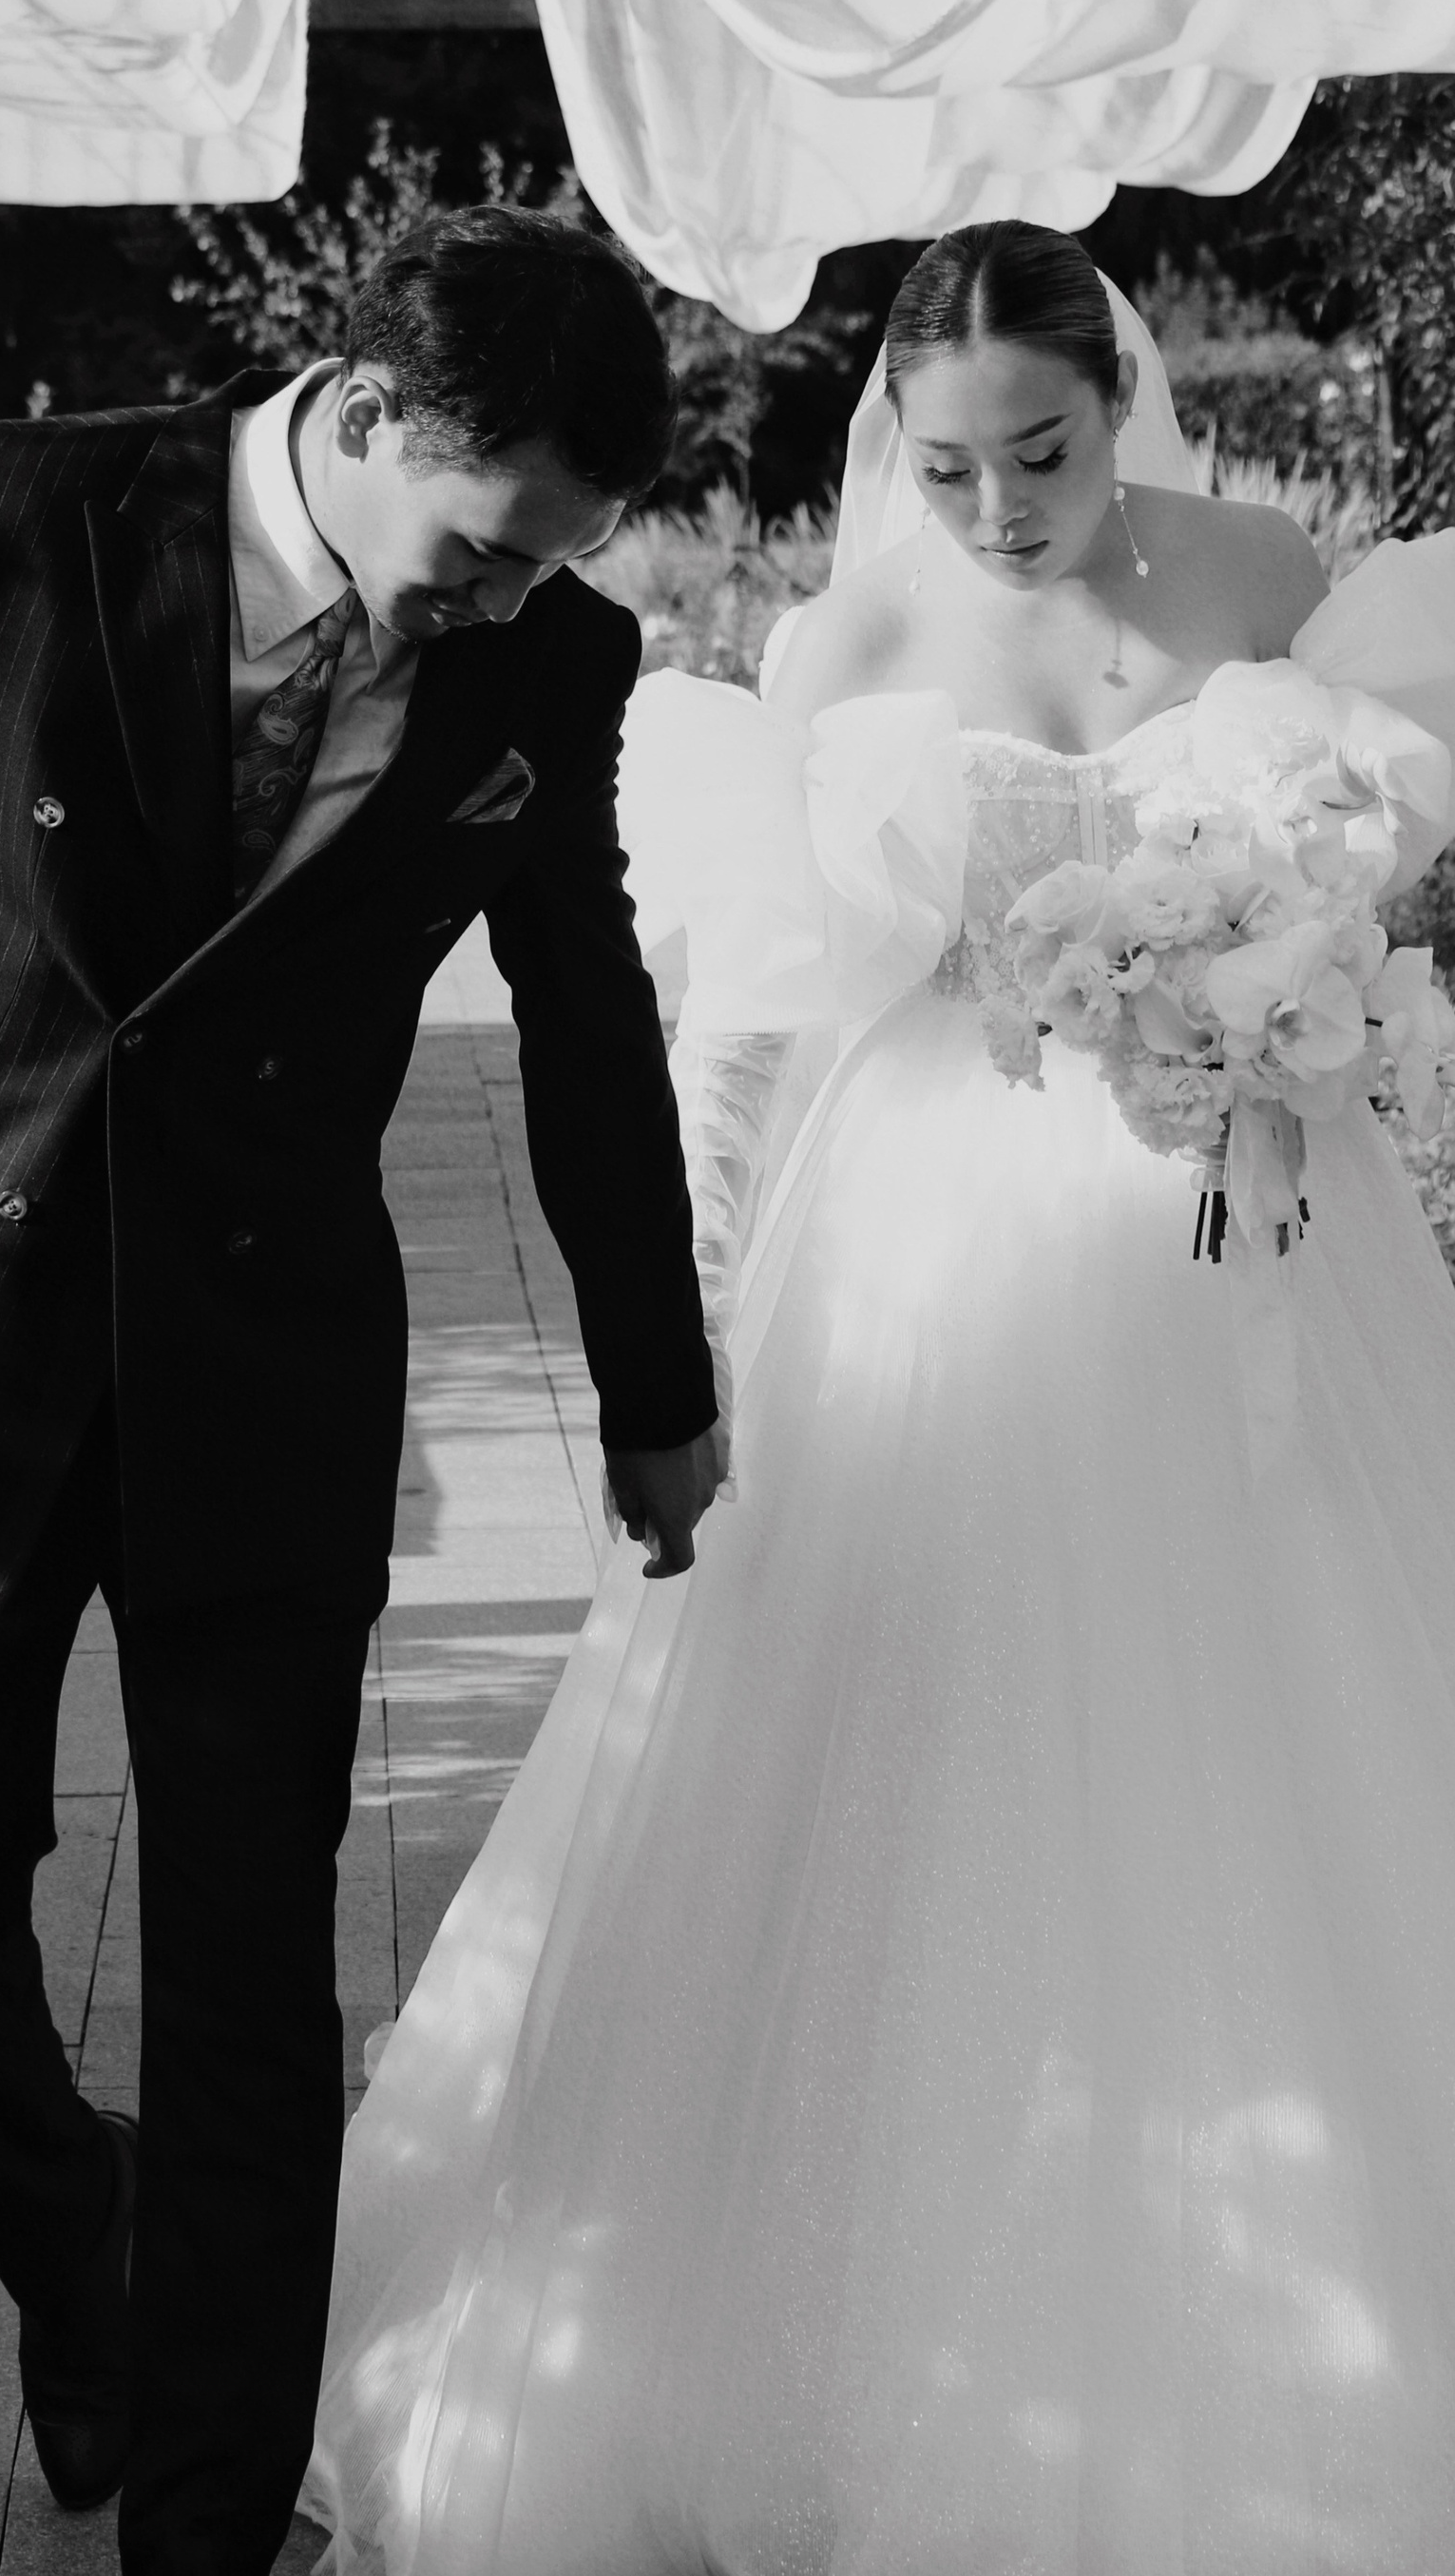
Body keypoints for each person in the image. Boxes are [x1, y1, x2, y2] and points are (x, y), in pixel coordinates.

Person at [304, 221, 1455, 2573]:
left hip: (1254, 1216)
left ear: (1119, 405)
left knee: (1306, 1689)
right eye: (948, 465)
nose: (999, 505)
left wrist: (1300, 975)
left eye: (1042, 451)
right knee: (936, 1722)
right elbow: (762, 1010)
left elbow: (1382, 865)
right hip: (949, 1239)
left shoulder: (1262, 574)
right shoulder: (845, 639)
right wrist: (704, 1318)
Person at [0, 205, 723, 2575]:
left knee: (248, 1966)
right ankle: (89, 2242)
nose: (500, 604)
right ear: (364, 409)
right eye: (479, 546)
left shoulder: (554, 659)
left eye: (550, 564)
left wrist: (656, 1382)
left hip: (268, 1361)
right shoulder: (20, 511)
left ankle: (209, 2524)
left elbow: (586, 1009)